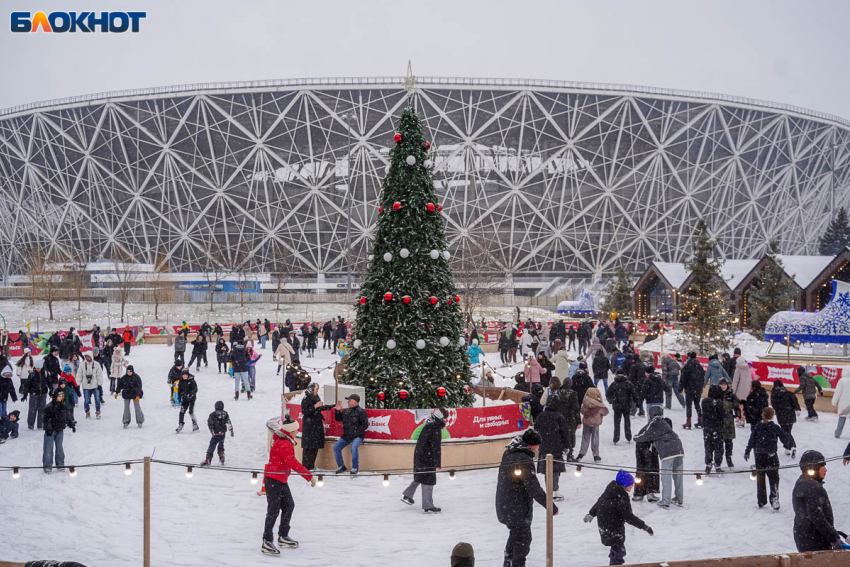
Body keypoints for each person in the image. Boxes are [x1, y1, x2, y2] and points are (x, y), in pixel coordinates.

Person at [496, 429, 557, 567]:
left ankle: (509, 561)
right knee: (523, 538)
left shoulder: (510, 452)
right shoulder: (523, 459)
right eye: (537, 445)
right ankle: (517, 564)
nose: (538, 448)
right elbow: (533, 487)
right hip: (516, 507)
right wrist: (550, 506)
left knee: (516, 534)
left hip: (505, 505)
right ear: (531, 445)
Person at [261, 416, 316, 555]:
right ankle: (267, 541)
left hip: (280, 479)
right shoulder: (284, 444)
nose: (297, 431)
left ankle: (283, 535)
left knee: (289, 505)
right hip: (274, 479)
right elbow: (293, 463)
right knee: (273, 510)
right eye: (296, 429)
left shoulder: (284, 440)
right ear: (291, 431)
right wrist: (309, 476)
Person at [584, 470, 652, 566]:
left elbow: (599, 502)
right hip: (614, 528)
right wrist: (644, 526)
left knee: (616, 550)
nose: (632, 486)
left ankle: (614, 561)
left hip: (604, 526)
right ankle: (615, 564)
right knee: (619, 552)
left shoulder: (610, 490)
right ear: (625, 484)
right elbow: (629, 517)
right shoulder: (621, 497)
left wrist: (591, 513)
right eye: (630, 484)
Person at [792, 450, 846, 552]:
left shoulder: (803, 483)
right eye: (822, 466)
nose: (825, 470)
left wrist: (834, 535)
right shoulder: (810, 486)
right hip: (815, 540)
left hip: (807, 538)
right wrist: (833, 537)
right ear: (814, 468)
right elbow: (816, 516)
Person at [634, 406, 684, 509]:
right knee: (678, 476)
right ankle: (679, 498)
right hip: (679, 448)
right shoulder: (665, 423)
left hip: (668, 452)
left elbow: (644, 436)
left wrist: (635, 437)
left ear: (651, 414)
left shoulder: (655, 423)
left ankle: (665, 501)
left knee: (666, 476)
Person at [744, 407, 793, 510]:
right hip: (771, 456)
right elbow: (785, 439)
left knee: (760, 479)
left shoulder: (758, 426)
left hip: (759, 456)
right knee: (774, 478)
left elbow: (752, 439)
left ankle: (761, 500)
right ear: (773, 415)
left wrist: (747, 451)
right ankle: (774, 499)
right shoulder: (775, 427)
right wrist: (789, 445)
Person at [401, 408, 446, 513]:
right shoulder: (435, 428)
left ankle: (408, 495)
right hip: (427, 458)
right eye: (445, 418)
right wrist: (437, 463)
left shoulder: (428, 424)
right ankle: (428, 504)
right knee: (428, 480)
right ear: (441, 417)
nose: (445, 421)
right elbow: (435, 447)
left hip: (421, 456)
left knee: (420, 476)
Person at [534, 397, 569, 500]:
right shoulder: (559, 417)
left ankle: (549, 490)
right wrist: (567, 446)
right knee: (555, 469)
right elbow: (565, 433)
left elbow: (536, 429)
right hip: (556, 447)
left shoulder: (541, 416)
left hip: (544, 446)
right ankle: (554, 490)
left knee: (547, 469)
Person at [299, 383, 334, 470]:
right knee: (308, 448)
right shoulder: (306, 399)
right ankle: (306, 467)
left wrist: (330, 406)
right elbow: (305, 412)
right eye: (316, 390)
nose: (317, 391)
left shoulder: (315, 397)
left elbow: (320, 408)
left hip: (316, 425)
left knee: (314, 447)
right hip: (310, 427)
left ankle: (311, 466)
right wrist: (314, 406)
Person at [333, 393, 368, 474]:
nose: (348, 401)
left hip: (357, 436)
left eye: (350, 400)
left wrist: (356, 432)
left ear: (355, 401)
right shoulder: (346, 410)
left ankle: (355, 468)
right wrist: (337, 410)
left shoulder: (361, 412)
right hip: (346, 435)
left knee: (353, 448)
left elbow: (365, 425)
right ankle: (341, 466)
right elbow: (338, 419)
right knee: (336, 447)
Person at [42, 389, 74, 473]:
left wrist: (71, 424)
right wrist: (48, 428)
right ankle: (47, 465)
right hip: (50, 431)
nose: (61, 398)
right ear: (55, 396)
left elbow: (67, 416)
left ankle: (60, 463)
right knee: (48, 448)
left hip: (60, 430)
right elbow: (46, 419)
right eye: (59, 396)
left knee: (59, 448)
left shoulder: (63, 406)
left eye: (62, 396)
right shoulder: (49, 406)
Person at [577, 387, 608, 462]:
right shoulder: (599, 404)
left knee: (585, 438)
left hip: (587, 423)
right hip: (595, 423)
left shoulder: (585, 402)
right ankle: (596, 455)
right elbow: (606, 412)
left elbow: (582, 411)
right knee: (595, 438)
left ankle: (581, 453)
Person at [770, 380, 800, 457]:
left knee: (785, 432)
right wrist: (797, 409)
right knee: (788, 431)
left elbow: (774, 405)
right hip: (790, 415)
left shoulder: (774, 394)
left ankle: (791, 446)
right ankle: (788, 447)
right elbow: (794, 401)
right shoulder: (788, 393)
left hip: (781, 416)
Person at [606, 370, 637, 444]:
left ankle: (616, 438)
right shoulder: (628, 383)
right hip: (626, 405)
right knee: (627, 421)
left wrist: (611, 400)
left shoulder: (614, 384)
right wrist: (636, 402)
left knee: (616, 422)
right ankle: (628, 436)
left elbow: (608, 394)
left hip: (617, 405)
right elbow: (634, 393)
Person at [555, 377, 581, 461]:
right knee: (570, 437)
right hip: (570, 418)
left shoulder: (557, 392)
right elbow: (576, 408)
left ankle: (560, 454)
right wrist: (578, 421)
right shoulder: (573, 394)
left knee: (560, 436)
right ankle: (569, 455)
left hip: (559, 418)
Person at [701, 385, 726, 473]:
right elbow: (723, 415)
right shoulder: (718, 402)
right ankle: (717, 464)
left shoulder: (704, 402)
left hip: (707, 427)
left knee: (708, 446)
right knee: (718, 447)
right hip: (717, 427)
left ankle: (708, 463)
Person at [23, 358, 51, 430]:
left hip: (43, 394)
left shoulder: (45, 373)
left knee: (42, 410)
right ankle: (30, 425)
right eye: (37, 368)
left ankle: (40, 424)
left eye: (39, 368)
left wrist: (51, 390)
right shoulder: (32, 374)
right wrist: (25, 394)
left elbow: (49, 382)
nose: (38, 369)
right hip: (34, 395)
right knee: (32, 410)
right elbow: (27, 384)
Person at [201, 400, 233, 466]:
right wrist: (231, 430)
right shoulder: (225, 414)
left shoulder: (212, 414)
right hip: (222, 433)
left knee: (212, 446)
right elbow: (228, 422)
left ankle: (208, 459)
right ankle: (221, 455)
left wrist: (212, 431)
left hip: (216, 433)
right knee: (221, 445)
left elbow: (210, 423)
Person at [678, 352, 705, 429]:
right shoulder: (700, 367)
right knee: (697, 404)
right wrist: (700, 387)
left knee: (689, 405)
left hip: (689, 388)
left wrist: (680, 388)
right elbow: (702, 377)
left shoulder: (687, 366)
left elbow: (683, 378)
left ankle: (688, 421)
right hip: (697, 389)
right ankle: (700, 419)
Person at [76, 352, 103, 419]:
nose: (87, 358)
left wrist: (99, 384)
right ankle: (87, 412)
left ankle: (98, 412)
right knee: (86, 401)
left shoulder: (96, 364)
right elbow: (79, 375)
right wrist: (78, 384)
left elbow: (99, 375)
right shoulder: (82, 365)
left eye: (88, 356)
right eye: (86, 357)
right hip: (86, 386)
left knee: (97, 399)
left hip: (95, 385)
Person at [831, 371, 849, 438]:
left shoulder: (842, 381)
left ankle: (837, 433)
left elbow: (838, 392)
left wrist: (834, 401)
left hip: (843, 403)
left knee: (842, 418)